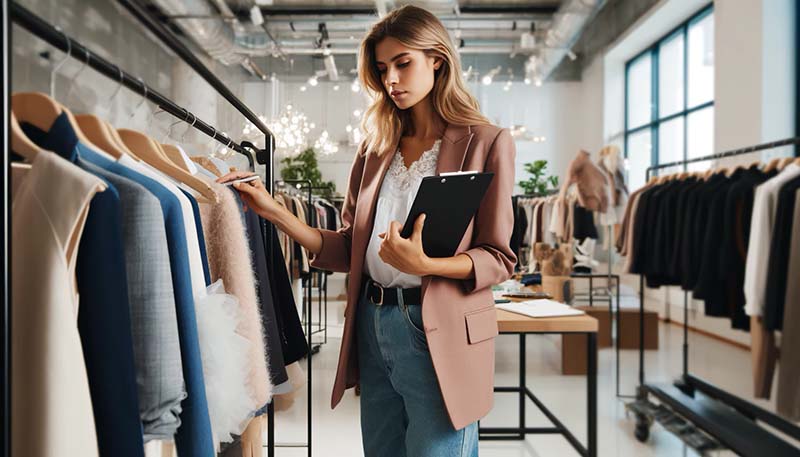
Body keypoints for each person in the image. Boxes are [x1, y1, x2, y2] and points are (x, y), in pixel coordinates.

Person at [220, 5, 516, 456]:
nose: (391, 80)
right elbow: (347, 247)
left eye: (403, 63)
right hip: (373, 324)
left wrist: (427, 264)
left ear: (437, 60)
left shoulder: (486, 142)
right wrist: (277, 213)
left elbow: (498, 256)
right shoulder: (375, 148)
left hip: (439, 327)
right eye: (382, 69)